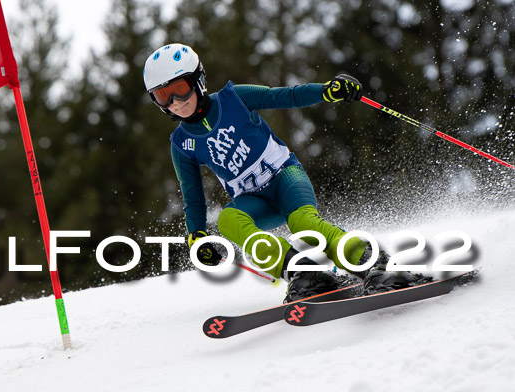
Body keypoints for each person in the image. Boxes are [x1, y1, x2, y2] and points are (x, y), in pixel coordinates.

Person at [143, 43, 429, 301]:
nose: (175, 102)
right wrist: (197, 235)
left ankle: (373, 262)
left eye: (179, 88)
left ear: (198, 80)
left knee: (303, 222)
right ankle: (303, 273)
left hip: (284, 177)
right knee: (229, 218)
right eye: (162, 96)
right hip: (254, 199)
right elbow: (193, 197)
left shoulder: (234, 99)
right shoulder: (182, 144)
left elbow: (286, 96)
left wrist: (327, 91)